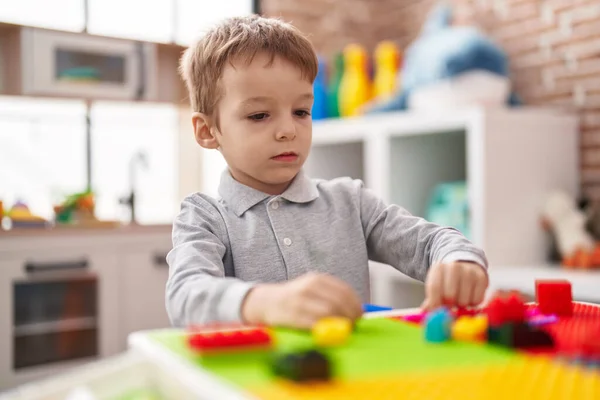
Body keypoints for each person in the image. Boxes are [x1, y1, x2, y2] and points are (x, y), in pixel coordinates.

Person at [166, 14, 488, 329]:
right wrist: (264, 303)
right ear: (208, 131)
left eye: (301, 111)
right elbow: (185, 297)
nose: (288, 130)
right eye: (260, 115)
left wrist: (458, 260)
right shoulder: (204, 217)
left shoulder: (350, 201)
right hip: (254, 381)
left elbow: (429, 242)